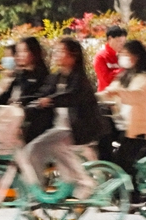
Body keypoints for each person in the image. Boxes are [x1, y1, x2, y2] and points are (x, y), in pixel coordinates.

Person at [20, 37, 104, 199]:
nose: (56, 54)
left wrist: (50, 100)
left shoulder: (80, 80)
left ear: (73, 56)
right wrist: (23, 103)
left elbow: (71, 97)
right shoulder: (56, 77)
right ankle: (39, 189)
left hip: (79, 128)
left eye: (61, 51)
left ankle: (85, 182)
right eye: (56, 51)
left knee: (38, 148)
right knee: (36, 150)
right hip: (60, 128)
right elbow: (42, 94)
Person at [98, 40, 146, 202]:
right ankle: (120, 193)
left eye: (127, 54)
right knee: (106, 149)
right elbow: (109, 91)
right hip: (125, 124)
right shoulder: (125, 75)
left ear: (137, 57)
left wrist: (118, 93)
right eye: (122, 54)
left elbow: (136, 95)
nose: (123, 57)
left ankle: (135, 197)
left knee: (123, 159)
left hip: (142, 126)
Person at [0, 37, 51, 146]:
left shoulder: (43, 76)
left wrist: (21, 103)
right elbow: (5, 97)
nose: (19, 55)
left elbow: (38, 97)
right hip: (12, 112)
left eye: (24, 51)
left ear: (34, 53)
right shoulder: (20, 75)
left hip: (28, 118)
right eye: (18, 51)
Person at [94, 25, 127, 92]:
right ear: (110, 39)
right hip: (107, 98)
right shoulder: (101, 56)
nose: (121, 44)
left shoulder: (125, 56)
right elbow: (106, 79)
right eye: (119, 41)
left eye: (123, 42)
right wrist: (125, 69)